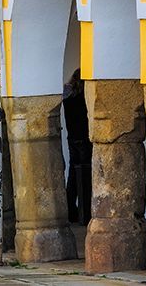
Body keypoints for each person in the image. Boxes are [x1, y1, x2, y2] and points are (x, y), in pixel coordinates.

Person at [62, 69, 92, 225]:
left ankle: (72, 211)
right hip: (85, 139)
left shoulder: (68, 96)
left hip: (72, 138)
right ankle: (85, 213)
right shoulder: (83, 97)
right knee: (87, 177)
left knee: (73, 176)